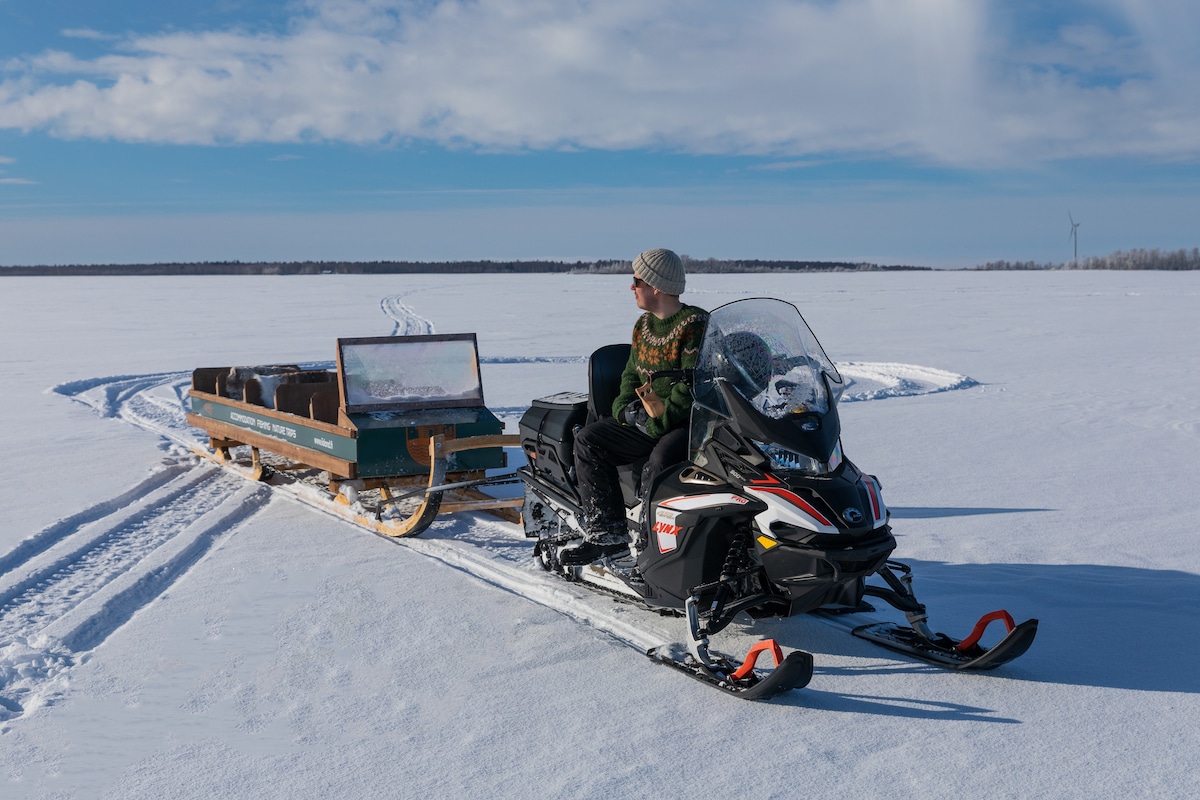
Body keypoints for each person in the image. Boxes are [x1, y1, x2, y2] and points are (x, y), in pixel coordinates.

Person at [560, 248, 709, 566]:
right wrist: (626, 410)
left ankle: (650, 548)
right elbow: (630, 376)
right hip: (648, 420)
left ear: (656, 285)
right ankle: (607, 535)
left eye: (636, 280)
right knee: (589, 439)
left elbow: (690, 387)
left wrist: (656, 423)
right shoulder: (643, 327)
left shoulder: (694, 325)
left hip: (690, 423)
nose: (632, 287)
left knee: (662, 459)